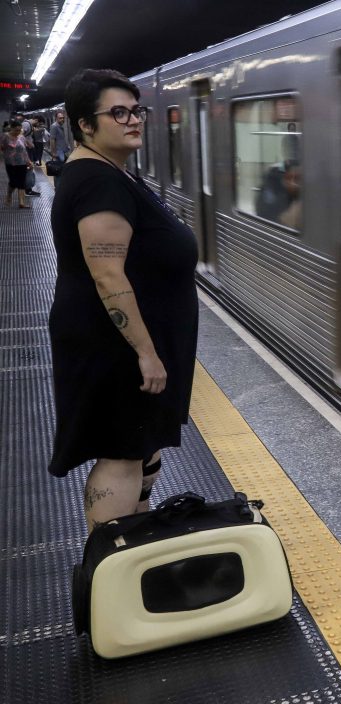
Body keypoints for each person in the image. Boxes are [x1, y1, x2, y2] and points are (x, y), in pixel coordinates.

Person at [48, 69, 199, 532]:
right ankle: (108, 568)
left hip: (123, 343)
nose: (133, 120)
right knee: (121, 452)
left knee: (139, 445)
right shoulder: (97, 182)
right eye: (118, 112)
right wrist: (146, 353)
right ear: (85, 125)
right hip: (115, 347)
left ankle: (135, 543)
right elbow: (107, 273)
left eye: (136, 111)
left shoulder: (106, 172)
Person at [1, 123, 32, 208]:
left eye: (19, 130)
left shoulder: (21, 137)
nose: (18, 132)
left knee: (22, 182)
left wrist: (28, 161)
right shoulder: (5, 136)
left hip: (22, 162)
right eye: (16, 130)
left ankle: (22, 203)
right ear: (11, 128)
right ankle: (9, 195)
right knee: (13, 182)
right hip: (10, 163)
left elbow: (24, 151)